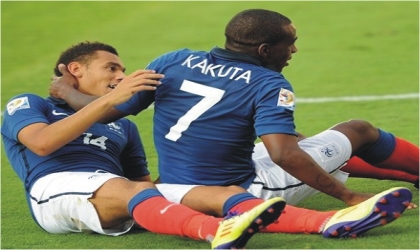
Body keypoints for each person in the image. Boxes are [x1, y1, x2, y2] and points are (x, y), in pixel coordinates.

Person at [49, 10, 417, 238]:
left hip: (174, 190)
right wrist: (349, 198)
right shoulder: (269, 83)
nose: (294, 51)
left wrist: (66, 90)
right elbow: (284, 154)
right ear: (264, 51)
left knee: (306, 143)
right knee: (357, 130)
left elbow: (109, 108)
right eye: (290, 44)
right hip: (243, 189)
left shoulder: (173, 60)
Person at [1, 41, 289, 249]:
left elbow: (145, 183)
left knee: (212, 192)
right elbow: (41, 143)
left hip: (112, 193)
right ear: (76, 69)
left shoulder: (123, 125)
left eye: (123, 70)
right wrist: (110, 101)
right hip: (52, 194)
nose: (121, 77)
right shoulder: (31, 104)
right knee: (134, 189)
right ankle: (216, 231)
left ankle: (322, 221)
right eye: (111, 68)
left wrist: (191, 192)